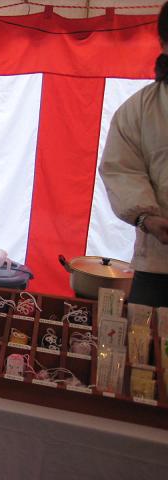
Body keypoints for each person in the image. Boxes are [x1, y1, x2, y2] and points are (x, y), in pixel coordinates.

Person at [99, 1, 168, 307]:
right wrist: (146, 218)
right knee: (145, 335)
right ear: (164, 43)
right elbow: (121, 169)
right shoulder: (139, 109)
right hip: (159, 264)